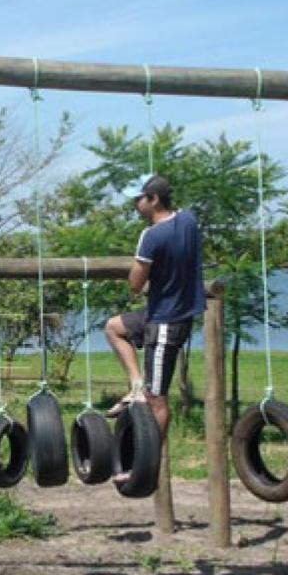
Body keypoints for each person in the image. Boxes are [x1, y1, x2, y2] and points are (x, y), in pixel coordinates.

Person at [103, 173, 205, 461]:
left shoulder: (151, 236)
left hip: (165, 323)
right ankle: (135, 385)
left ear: (154, 200)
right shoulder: (188, 219)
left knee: (157, 398)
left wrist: (142, 274)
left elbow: (135, 284)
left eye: (139, 199)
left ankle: (149, 459)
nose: (136, 205)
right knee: (113, 327)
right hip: (163, 313)